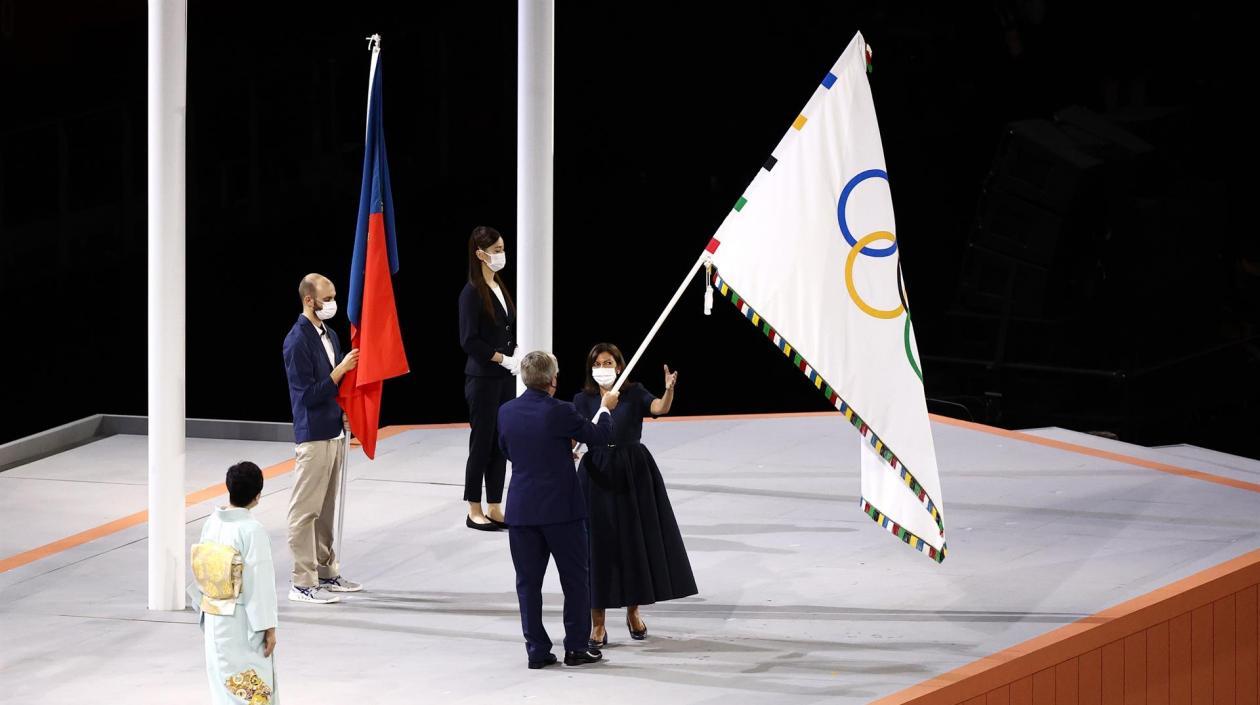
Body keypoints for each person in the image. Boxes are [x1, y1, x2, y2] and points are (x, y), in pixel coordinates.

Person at [497, 351, 618, 669]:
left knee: (527, 583)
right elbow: (599, 438)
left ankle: (537, 650)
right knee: (576, 581)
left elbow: (508, 450)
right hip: (562, 511)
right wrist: (605, 409)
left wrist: (552, 454)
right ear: (553, 379)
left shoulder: (506, 412)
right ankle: (577, 648)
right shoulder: (561, 411)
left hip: (522, 510)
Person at [573, 343, 697, 649]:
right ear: (591, 368)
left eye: (609, 362)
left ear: (619, 366)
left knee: (633, 543)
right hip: (596, 473)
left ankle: (634, 612)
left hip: (633, 471)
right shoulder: (582, 399)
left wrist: (668, 390)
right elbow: (574, 434)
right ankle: (597, 623)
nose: (603, 366)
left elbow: (659, 408)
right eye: (597, 362)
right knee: (596, 548)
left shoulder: (635, 391)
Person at [281, 273, 363, 604]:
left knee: (327, 509)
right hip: (313, 435)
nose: (332, 304)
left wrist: (348, 414)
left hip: (334, 431)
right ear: (308, 300)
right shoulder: (296, 340)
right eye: (326, 299)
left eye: (333, 297)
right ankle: (302, 581)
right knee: (305, 511)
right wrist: (340, 369)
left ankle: (326, 573)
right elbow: (307, 396)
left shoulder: (328, 334)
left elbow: (335, 391)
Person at [192, 461, 279, 705]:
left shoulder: (212, 522)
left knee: (223, 684)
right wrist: (268, 626)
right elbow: (259, 583)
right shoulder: (251, 530)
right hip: (241, 621)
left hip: (213, 614)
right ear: (258, 495)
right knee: (252, 688)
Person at [457, 226, 519, 531]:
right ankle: (474, 507)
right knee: (481, 442)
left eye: (502, 249)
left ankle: (495, 504)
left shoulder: (499, 287)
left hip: (504, 377)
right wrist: (502, 358)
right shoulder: (471, 292)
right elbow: (469, 340)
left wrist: (515, 353)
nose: (501, 255)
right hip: (482, 378)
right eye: (495, 251)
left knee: (500, 441)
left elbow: (505, 329)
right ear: (480, 254)